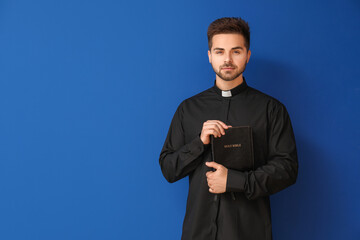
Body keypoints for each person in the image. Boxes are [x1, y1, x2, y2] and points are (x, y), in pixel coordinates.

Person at [159, 17, 298, 240]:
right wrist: (198, 143)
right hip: (197, 233)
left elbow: (287, 169)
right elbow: (168, 169)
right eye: (219, 51)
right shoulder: (188, 109)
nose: (227, 59)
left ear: (248, 55)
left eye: (236, 51)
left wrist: (235, 181)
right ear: (209, 55)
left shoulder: (271, 109)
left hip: (249, 232)